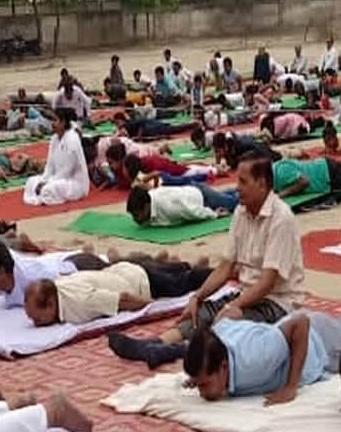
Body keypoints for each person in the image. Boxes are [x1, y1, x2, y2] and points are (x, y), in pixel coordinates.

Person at [107, 155, 305, 367]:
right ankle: (154, 345)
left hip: (278, 302)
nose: (237, 187)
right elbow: (226, 266)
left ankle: (177, 350)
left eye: (243, 182)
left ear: (263, 183)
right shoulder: (241, 212)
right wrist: (197, 296)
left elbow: (267, 283)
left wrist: (234, 305)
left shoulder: (281, 219)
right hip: (249, 293)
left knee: (229, 321)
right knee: (201, 312)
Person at [184, 294, 341, 403]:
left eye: (204, 383)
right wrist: (197, 378)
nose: (201, 390)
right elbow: (231, 312)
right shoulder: (214, 338)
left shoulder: (256, 359)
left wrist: (291, 386)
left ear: (224, 366)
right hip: (299, 329)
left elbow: (301, 324)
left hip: (315, 341)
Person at [23, 259, 213, 327]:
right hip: (123, 269)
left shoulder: (80, 302)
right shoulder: (57, 286)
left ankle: (216, 272)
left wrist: (151, 304)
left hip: (138, 281)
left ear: (50, 304)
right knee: (167, 272)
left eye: (37, 319)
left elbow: (124, 299)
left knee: (180, 284)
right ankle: (182, 265)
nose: (34, 323)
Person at [24, 111, 88, 205]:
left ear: (63, 123)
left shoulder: (72, 139)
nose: (52, 123)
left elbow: (67, 171)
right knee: (31, 181)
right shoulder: (54, 139)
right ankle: (42, 192)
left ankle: (44, 193)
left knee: (49, 189)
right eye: (52, 120)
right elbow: (49, 166)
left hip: (73, 182)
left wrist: (48, 182)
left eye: (55, 120)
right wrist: (44, 180)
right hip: (56, 178)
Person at [126, 182, 237, 226]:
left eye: (136, 215)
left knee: (233, 203)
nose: (135, 219)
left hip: (203, 198)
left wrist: (214, 214)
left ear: (146, 207)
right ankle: (233, 190)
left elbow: (192, 211)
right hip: (189, 192)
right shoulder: (148, 199)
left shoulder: (169, 207)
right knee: (225, 196)